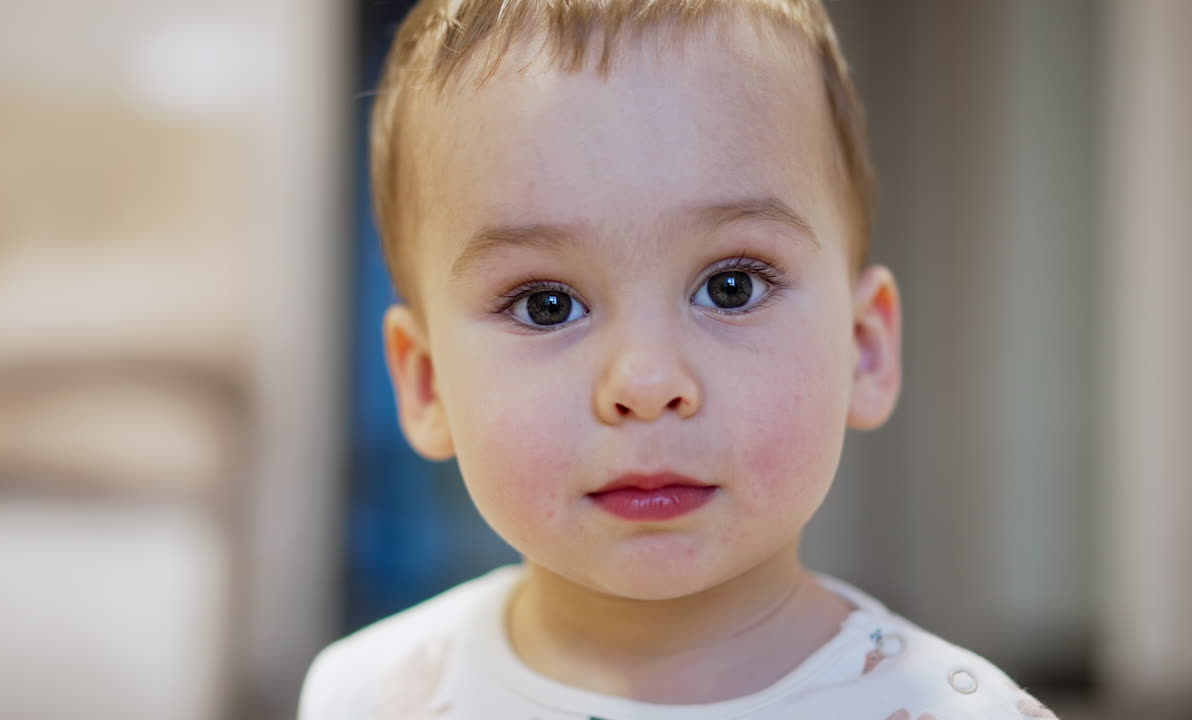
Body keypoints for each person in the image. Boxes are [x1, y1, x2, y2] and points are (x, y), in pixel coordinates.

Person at [301, 1, 1057, 717]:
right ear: (427, 382)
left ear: (863, 349)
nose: (646, 382)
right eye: (546, 304)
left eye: (731, 288)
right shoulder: (369, 698)